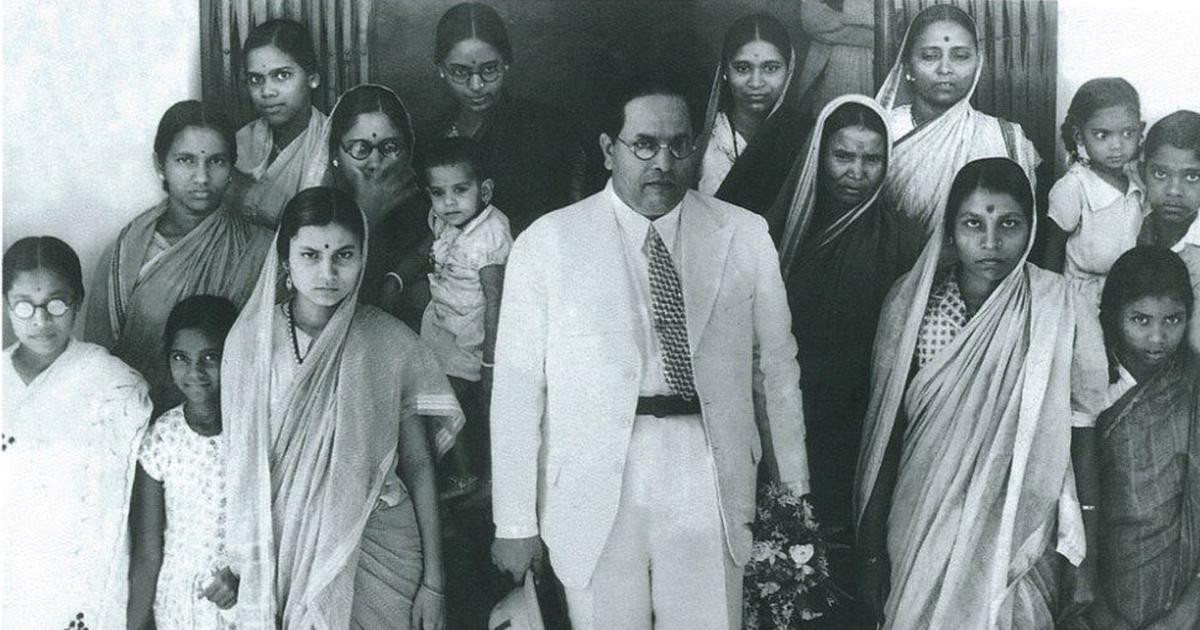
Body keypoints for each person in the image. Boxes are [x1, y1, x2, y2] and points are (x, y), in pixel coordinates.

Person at [489, 73, 810, 630]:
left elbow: (776, 373)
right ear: (607, 150)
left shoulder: (744, 234)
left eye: (679, 145)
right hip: (592, 482)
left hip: (709, 475)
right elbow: (517, 389)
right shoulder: (548, 242)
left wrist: (794, 496)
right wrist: (514, 521)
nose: (663, 162)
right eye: (644, 145)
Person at [855, 158, 1091, 629]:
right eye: (973, 224)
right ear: (950, 229)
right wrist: (871, 553)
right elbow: (886, 432)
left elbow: (1081, 426)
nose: (991, 242)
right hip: (921, 516)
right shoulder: (911, 304)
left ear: (1031, 227)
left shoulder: (1056, 303)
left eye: (1009, 224)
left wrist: (1083, 552)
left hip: (1017, 526)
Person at [222, 187, 464, 628]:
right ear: (285, 259)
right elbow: (240, 466)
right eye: (310, 255)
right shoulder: (251, 343)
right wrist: (238, 561)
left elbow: (418, 464)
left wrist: (435, 581)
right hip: (285, 550)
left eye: (344, 256)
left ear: (363, 256)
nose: (328, 272)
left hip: (380, 548)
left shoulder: (387, 342)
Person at [765, 95, 903, 618]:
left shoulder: (900, 238)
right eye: (843, 156)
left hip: (857, 424)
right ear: (819, 156)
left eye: (872, 160)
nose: (856, 173)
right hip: (785, 416)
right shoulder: (783, 231)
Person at [2, 236, 152, 629]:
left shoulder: (115, 386)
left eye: (56, 304)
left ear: (78, 301)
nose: (40, 321)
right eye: (24, 305)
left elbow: (130, 513)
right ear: (6, 303)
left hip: (80, 587)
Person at [85, 100, 271, 412]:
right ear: (160, 165)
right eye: (186, 160)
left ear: (231, 167)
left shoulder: (261, 249)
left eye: (216, 161)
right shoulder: (127, 252)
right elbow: (97, 361)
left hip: (230, 419)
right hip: (134, 418)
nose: (202, 177)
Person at [1089, 246, 1200, 629]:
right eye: (1140, 320)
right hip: (1098, 584)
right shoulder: (1090, 383)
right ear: (1114, 316)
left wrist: (1186, 612)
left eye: (1173, 319)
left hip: (1184, 591)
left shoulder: (1193, 384)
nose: (1158, 337)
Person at [876, 4, 1039, 258]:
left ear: (978, 63)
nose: (945, 69)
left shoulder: (1006, 138)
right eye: (930, 56)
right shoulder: (882, 132)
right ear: (907, 66)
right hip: (893, 273)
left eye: (960, 56)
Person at [428, 2, 596, 237]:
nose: (476, 85)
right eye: (460, 72)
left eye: (489, 70)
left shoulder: (546, 128)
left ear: (506, 62)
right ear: (441, 69)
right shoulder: (430, 135)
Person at [128, 296, 241, 630]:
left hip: (246, 594)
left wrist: (242, 573)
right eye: (181, 357)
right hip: (179, 603)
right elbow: (148, 553)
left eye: (211, 357)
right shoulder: (162, 438)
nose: (195, 372)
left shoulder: (256, 431)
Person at [417, 137, 512, 498]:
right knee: (435, 397)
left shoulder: (490, 234)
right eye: (438, 193)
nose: (448, 202)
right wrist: (396, 278)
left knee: (450, 401)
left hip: (473, 338)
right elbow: (428, 250)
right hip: (442, 325)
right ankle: (459, 471)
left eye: (460, 190)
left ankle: (470, 474)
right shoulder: (446, 220)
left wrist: (490, 360)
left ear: (484, 191)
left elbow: (496, 300)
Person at [319, 83, 434, 329]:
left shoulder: (432, 212)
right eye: (360, 148)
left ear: (408, 150)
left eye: (390, 147)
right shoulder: (317, 212)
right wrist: (367, 216)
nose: (375, 162)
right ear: (335, 154)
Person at [697, 12, 814, 217]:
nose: (756, 82)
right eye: (743, 68)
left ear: (789, 70)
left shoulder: (806, 138)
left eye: (771, 68)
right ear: (725, 71)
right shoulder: (703, 138)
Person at [1044, 78, 1147, 307]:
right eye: (1102, 135)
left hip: (1129, 292)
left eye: (1128, 133)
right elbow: (1053, 248)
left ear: (1140, 131)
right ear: (1079, 136)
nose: (1117, 145)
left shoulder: (1137, 180)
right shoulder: (1074, 187)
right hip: (1082, 297)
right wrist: (1050, 300)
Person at [233, 19, 328, 226]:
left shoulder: (333, 143)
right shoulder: (238, 144)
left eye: (282, 75)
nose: (267, 91)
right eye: (256, 79)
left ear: (312, 78)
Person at [1136, 110, 1200, 354]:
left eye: (1192, 176)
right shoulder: (1129, 224)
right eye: (1160, 174)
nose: (1174, 190)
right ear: (1142, 173)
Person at [793, 0, 876, 116]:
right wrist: (878, 34)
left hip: (887, 77)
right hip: (830, 81)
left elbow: (898, 21)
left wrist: (844, 6)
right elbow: (812, 19)